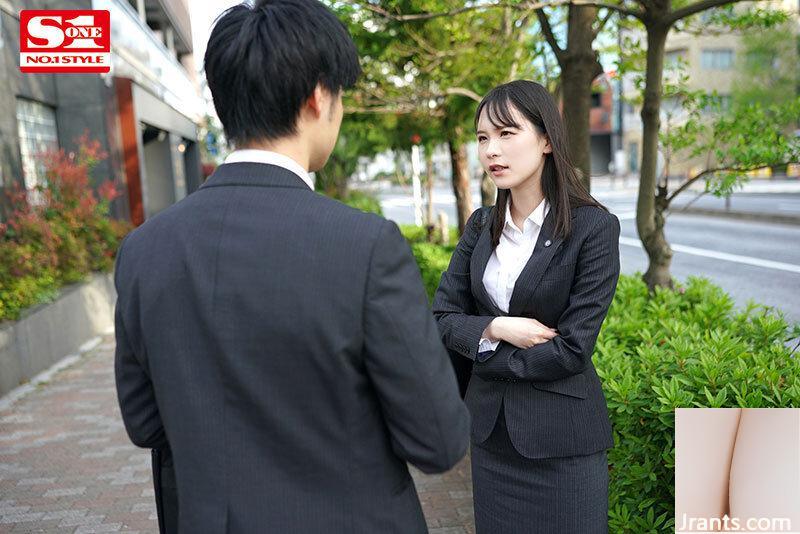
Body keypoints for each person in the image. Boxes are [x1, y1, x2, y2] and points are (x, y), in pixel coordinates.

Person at [113, 1, 470, 532]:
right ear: (318, 97)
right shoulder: (366, 246)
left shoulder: (145, 249)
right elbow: (438, 442)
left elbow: (144, 423)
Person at [432, 80, 621, 533]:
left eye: (506, 133)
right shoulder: (481, 226)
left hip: (563, 446)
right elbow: (440, 318)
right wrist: (497, 328)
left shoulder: (593, 228)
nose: (491, 150)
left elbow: (572, 349)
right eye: (482, 138)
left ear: (547, 141)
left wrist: (485, 357)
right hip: (494, 442)